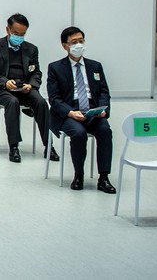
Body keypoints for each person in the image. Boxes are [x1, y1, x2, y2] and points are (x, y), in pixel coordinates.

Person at [46, 26, 116, 193]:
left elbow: (104, 92)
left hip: (92, 111)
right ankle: (78, 175)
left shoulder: (95, 66)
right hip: (69, 113)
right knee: (78, 133)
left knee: (105, 130)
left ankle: (104, 177)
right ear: (65, 46)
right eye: (74, 42)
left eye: (81, 41)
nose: (78, 45)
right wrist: (70, 112)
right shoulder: (56, 68)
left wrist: (104, 109)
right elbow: (54, 98)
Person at [0, 13, 57, 163]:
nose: (19, 37)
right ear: (8, 30)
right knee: (12, 102)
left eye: (23, 34)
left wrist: (32, 85)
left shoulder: (31, 49)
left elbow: (36, 72)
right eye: (16, 34)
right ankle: (14, 146)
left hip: (23, 88)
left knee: (41, 102)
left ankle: (49, 145)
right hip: (0, 89)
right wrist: (4, 82)